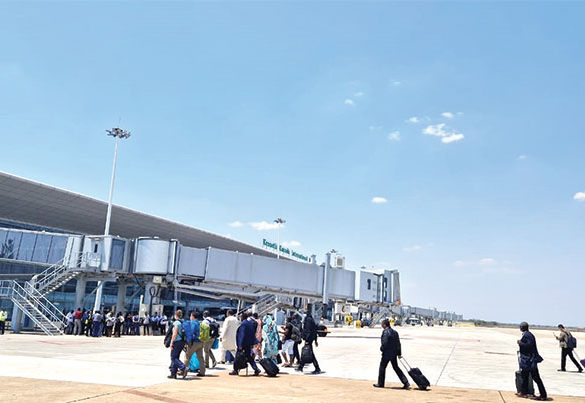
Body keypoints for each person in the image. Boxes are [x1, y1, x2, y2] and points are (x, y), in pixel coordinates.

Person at [373, 319, 410, 389]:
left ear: (384, 325)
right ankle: (406, 382)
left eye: (382, 324)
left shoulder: (385, 332)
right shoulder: (395, 332)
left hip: (387, 354)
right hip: (394, 354)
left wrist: (382, 349)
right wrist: (399, 353)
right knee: (396, 368)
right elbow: (398, 344)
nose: (381, 325)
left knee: (382, 368)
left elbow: (384, 343)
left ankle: (380, 383)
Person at [517, 322, 547, 400]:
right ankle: (524, 392)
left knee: (536, 377)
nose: (520, 328)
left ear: (523, 327)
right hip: (526, 360)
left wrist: (520, 343)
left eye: (521, 327)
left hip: (530, 361)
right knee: (525, 376)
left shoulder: (528, 335)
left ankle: (543, 395)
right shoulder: (526, 334)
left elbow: (529, 345)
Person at [229, 311, 261, 376]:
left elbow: (242, 335)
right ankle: (256, 369)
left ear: (243, 317)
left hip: (243, 343)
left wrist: (240, 345)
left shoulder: (243, 324)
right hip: (249, 343)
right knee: (249, 356)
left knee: (237, 356)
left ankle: (235, 370)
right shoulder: (250, 323)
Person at [296, 305, 321, 374]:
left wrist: (306, 339)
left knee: (308, 353)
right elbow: (314, 330)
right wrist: (315, 340)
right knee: (307, 352)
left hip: (308, 339)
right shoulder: (311, 319)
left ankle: (317, 368)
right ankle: (301, 367)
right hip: (310, 338)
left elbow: (308, 330)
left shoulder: (308, 320)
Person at [183, 311, 206, 376]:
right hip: (200, 342)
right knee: (200, 357)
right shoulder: (200, 323)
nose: (190, 317)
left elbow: (191, 333)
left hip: (194, 342)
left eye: (190, 316)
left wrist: (187, 342)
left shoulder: (193, 323)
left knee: (187, 356)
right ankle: (202, 372)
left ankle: (183, 371)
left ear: (193, 316)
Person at [168, 309, 187, 379]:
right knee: (176, 357)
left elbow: (174, 333)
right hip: (182, 342)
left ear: (175, 315)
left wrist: (171, 342)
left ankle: (183, 367)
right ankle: (173, 373)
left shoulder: (176, 323)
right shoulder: (183, 322)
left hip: (176, 342)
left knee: (173, 357)